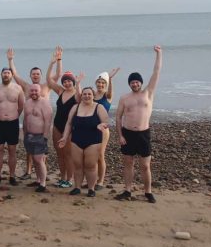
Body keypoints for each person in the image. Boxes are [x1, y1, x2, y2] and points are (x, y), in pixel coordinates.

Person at [115, 45, 163, 203]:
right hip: (128, 133)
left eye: (136, 82)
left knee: (145, 166)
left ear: (140, 83)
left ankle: (148, 192)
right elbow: (118, 117)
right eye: (132, 82)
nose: (134, 84)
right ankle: (127, 190)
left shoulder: (148, 93)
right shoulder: (124, 98)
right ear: (129, 84)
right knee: (128, 163)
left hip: (143, 133)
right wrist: (120, 136)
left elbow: (156, 72)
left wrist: (159, 54)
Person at [7, 47, 59, 182]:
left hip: (43, 123)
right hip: (29, 122)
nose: (35, 75)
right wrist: (10, 60)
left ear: (40, 75)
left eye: (37, 74)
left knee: (42, 152)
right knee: (29, 150)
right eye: (33, 74)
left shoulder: (46, 86)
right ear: (30, 76)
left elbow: (57, 75)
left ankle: (42, 174)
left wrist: (55, 61)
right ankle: (29, 171)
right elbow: (15, 74)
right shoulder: (26, 87)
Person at [58, 87, 109, 197]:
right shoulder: (75, 107)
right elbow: (69, 123)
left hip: (93, 140)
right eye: (84, 94)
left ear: (93, 96)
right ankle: (77, 187)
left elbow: (106, 120)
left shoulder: (98, 107)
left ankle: (91, 189)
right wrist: (64, 137)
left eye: (89, 94)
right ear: (81, 96)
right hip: (76, 140)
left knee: (90, 165)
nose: (86, 96)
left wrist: (102, 125)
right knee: (77, 165)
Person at [47, 46, 83, 188]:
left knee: (68, 154)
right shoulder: (60, 91)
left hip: (70, 128)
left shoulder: (77, 94)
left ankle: (69, 179)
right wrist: (54, 62)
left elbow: (81, 101)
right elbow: (49, 80)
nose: (67, 83)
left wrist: (79, 84)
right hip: (57, 126)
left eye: (69, 81)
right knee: (59, 154)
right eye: (65, 81)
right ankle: (62, 178)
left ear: (73, 81)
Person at [0, 67, 24, 186]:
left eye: (8, 73)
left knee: (12, 150)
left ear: (12, 75)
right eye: (4, 73)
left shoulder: (18, 88)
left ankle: (12, 176)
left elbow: (21, 106)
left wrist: (13, 116)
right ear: (1, 74)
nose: (6, 75)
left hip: (13, 123)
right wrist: (0, 116)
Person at [23, 84, 53, 192]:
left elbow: (48, 121)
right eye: (32, 91)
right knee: (34, 159)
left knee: (39, 159)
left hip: (40, 136)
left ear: (40, 91)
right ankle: (38, 179)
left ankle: (43, 184)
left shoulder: (44, 103)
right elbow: (25, 119)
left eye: (36, 91)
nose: (34, 93)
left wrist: (45, 138)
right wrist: (25, 133)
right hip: (29, 135)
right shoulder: (27, 103)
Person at [93, 68, 120, 189]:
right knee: (91, 156)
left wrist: (111, 79)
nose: (100, 84)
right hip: (91, 128)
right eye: (99, 82)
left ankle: (100, 181)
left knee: (100, 155)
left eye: (103, 82)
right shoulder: (92, 94)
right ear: (96, 83)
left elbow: (109, 92)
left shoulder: (107, 96)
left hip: (103, 130)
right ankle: (92, 180)